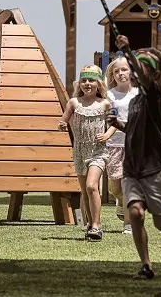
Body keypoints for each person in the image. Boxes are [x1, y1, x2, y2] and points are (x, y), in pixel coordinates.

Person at [106, 35, 161, 279]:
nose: (136, 72)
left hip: (153, 167)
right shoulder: (135, 100)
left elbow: (144, 79)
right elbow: (136, 128)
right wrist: (120, 124)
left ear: (154, 74)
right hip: (132, 166)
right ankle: (146, 265)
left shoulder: (155, 93)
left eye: (141, 68)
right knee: (135, 213)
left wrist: (127, 50)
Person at [59, 65, 112, 241]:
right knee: (85, 190)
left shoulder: (104, 104)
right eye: (84, 80)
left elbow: (115, 124)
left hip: (98, 151)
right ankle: (90, 224)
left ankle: (96, 226)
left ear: (99, 84)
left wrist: (106, 135)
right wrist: (62, 125)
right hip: (80, 151)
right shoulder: (74, 103)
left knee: (91, 186)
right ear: (79, 84)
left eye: (91, 80)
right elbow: (63, 121)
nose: (87, 83)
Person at [104, 55, 139, 234]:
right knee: (115, 188)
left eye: (124, 69)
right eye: (116, 71)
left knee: (128, 186)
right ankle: (119, 201)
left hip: (134, 145)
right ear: (112, 75)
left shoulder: (139, 93)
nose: (120, 73)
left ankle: (128, 224)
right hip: (113, 145)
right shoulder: (109, 95)